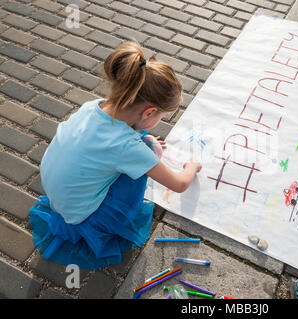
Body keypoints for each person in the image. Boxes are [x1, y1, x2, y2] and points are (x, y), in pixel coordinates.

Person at [29, 40, 202, 270]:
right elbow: (179, 184)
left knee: (142, 147)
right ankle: (107, 223)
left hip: (56, 196)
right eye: (161, 117)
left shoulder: (92, 106)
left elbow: (109, 142)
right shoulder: (128, 147)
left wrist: (141, 142)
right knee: (147, 154)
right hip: (82, 214)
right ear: (150, 111)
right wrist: (191, 166)